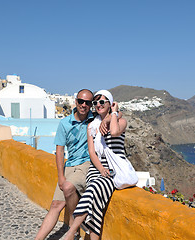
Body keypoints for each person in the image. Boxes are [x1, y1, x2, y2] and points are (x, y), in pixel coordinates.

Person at [63, 90, 127, 240]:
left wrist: (113, 115)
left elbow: (115, 132)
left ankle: (71, 231)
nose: (98, 105)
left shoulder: (121, 121)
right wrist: (101, 169)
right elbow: (92, 152)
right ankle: (73, 233)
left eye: (102, 102)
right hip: (97, 168)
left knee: (93, 191)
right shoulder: (91, 126)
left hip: (114, 169)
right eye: (96, 102)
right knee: (96, 200)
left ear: (110, 104)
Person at [35, 89, 94, 240]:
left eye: (88, 103)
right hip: (70, 165)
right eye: (81, 101)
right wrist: (61, 176)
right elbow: (59, 151)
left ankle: (73, 230)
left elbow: (113, 116)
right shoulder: (65, 123)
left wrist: (116, 113)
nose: (83, 105)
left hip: (86, 164)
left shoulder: (94, 120)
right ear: (76, 102)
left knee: (68, 188)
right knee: (56, 205)